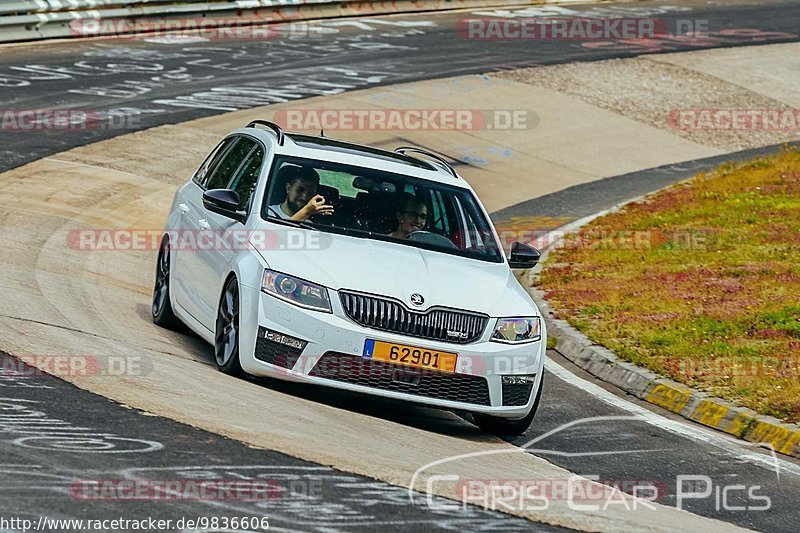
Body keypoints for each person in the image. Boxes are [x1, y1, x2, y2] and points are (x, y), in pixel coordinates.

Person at [268, 165, 333, 222]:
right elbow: (281, 234)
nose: (304, 197)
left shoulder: (310, 225)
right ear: (288, 188)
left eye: (310, 193)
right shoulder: (268, 213)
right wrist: (306, 212)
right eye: (300, 190)